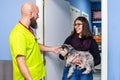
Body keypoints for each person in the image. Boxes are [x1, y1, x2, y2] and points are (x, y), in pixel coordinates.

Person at [9, 2, 60, 80]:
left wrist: (52, 49)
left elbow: (34, 45)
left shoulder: (28, 30)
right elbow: (20, 60)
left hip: (36, 76)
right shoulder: (18, 33)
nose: (38, 16)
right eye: (37, 14)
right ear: (31, 13)